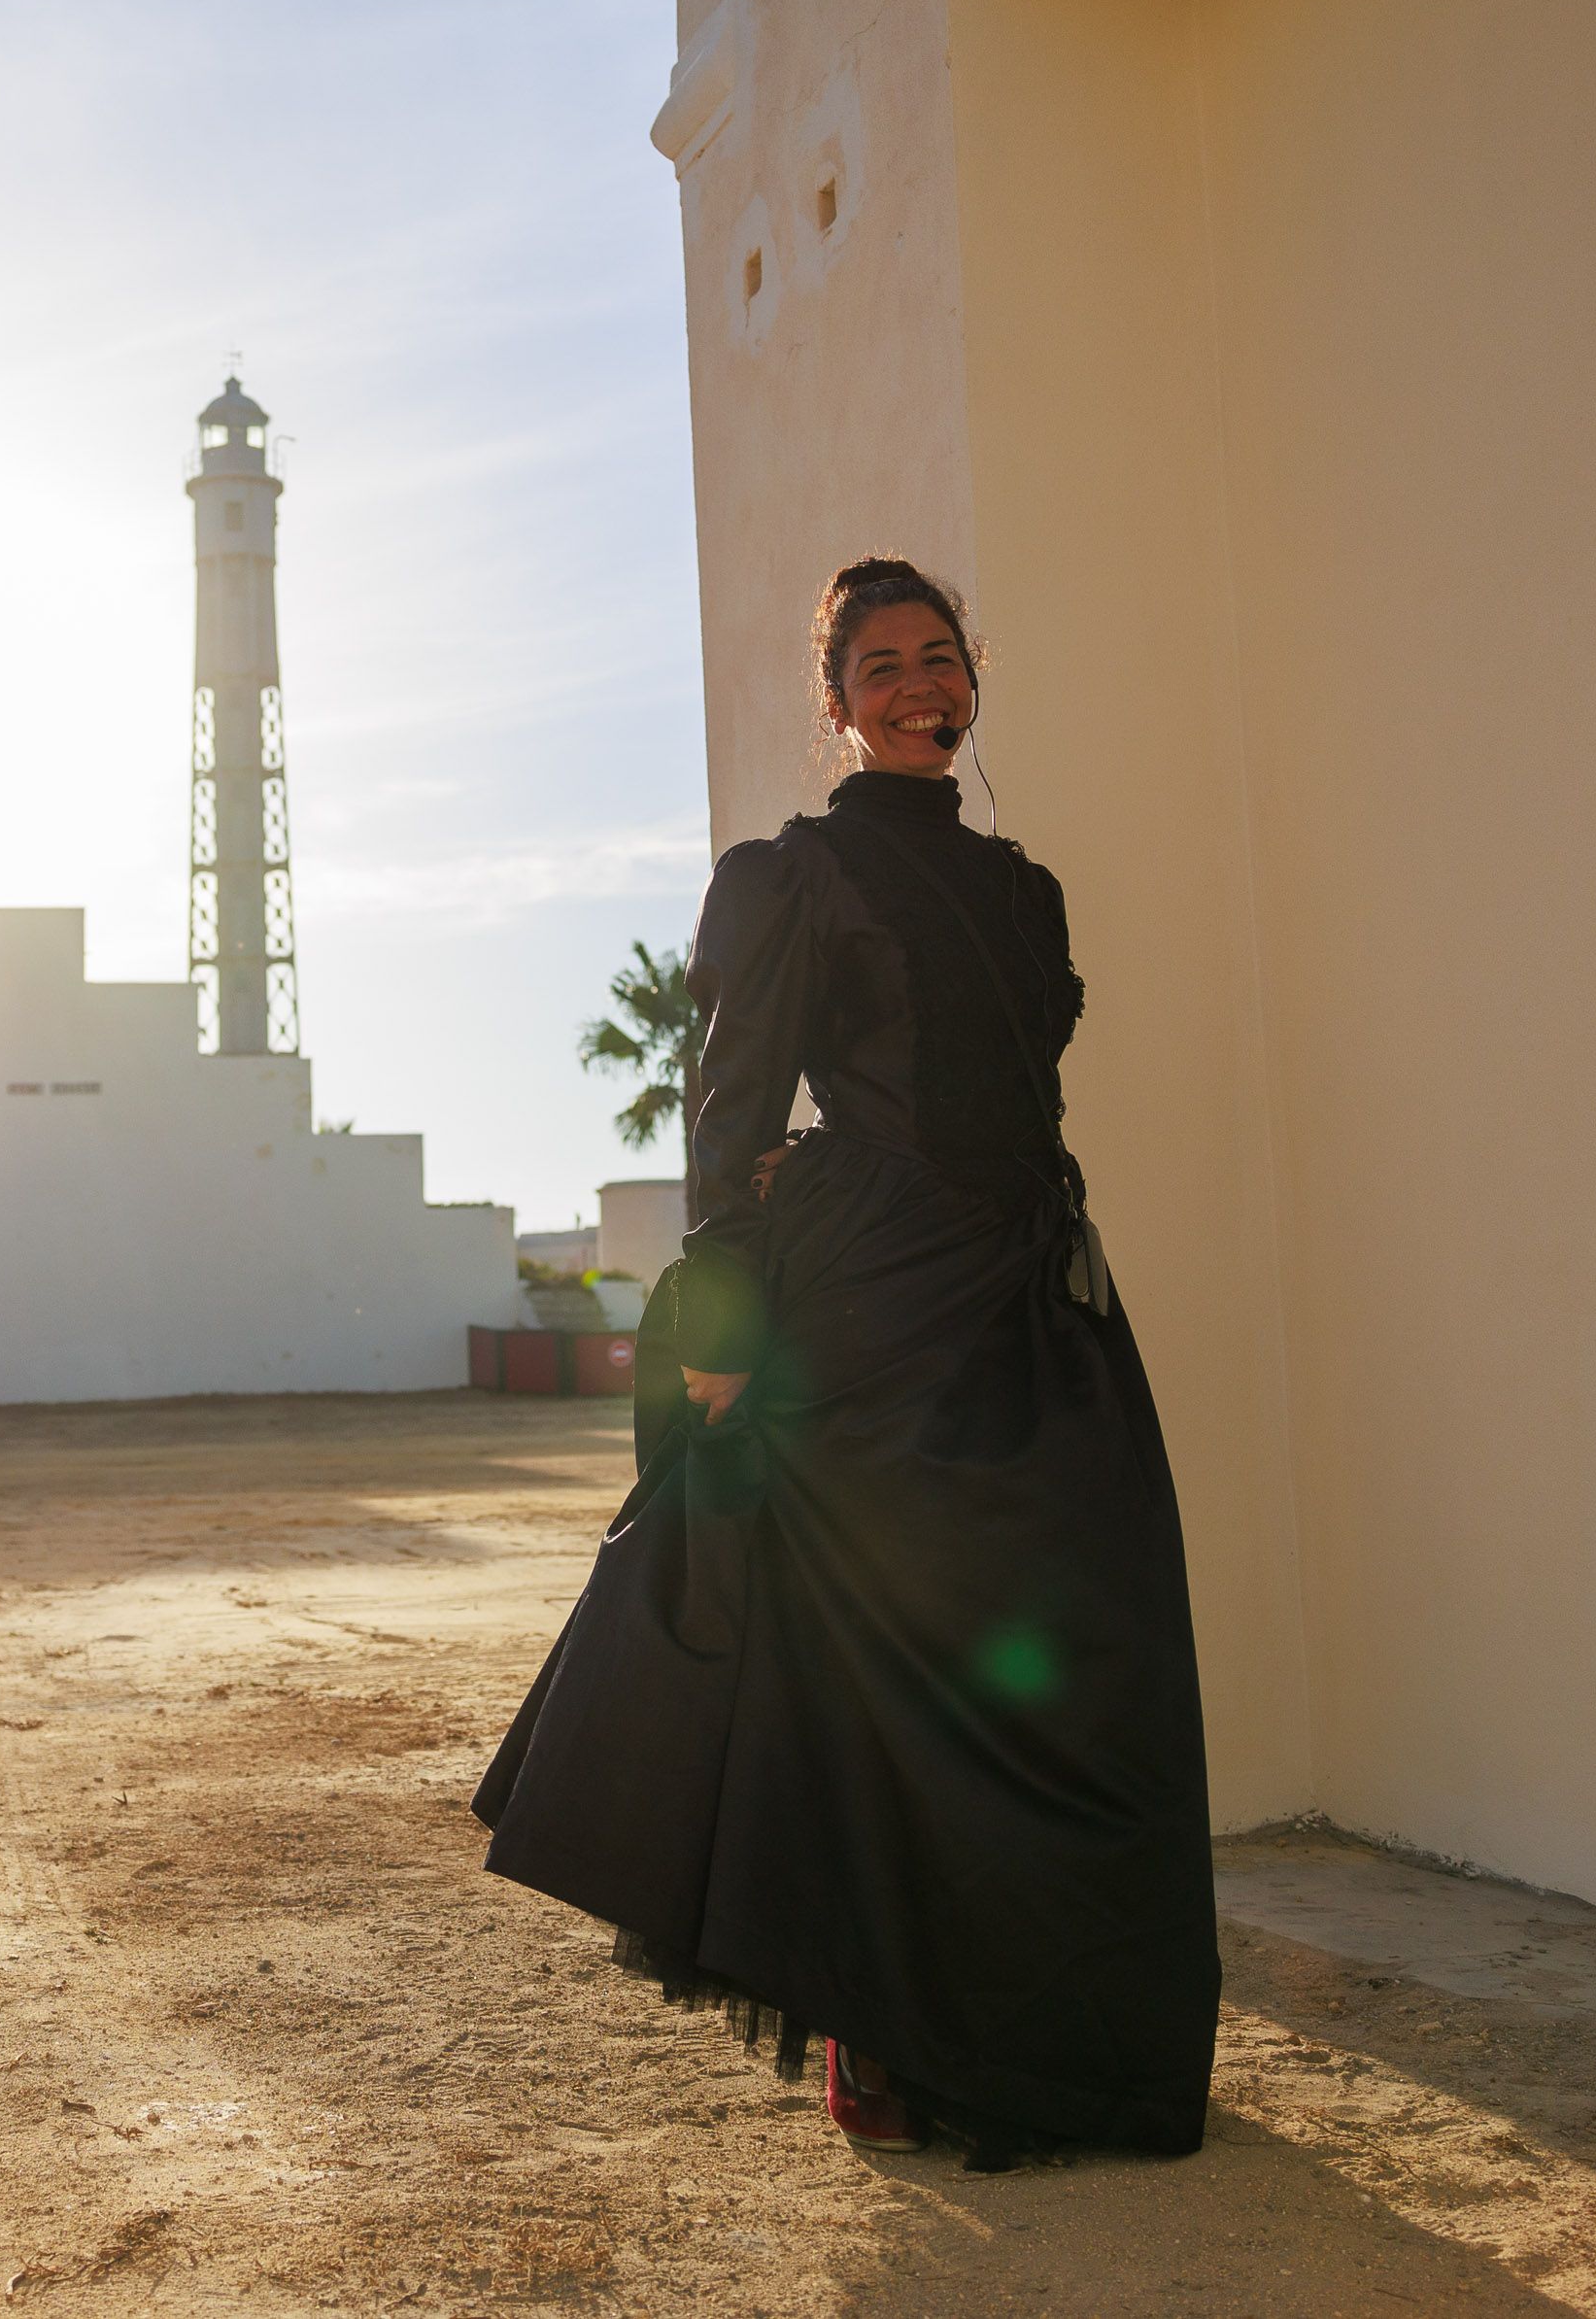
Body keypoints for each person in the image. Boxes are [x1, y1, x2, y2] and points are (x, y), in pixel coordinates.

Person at [472, 556, 1216, 2168]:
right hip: (871, 1307)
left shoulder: (1029, 893)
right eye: (879, 667)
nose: (916, 687)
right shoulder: (785, 877)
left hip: (1034, 1297)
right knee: (882, 1673)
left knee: (1091, 1652)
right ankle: (888, 2038)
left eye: (938, 659)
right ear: (836, 702)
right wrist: (726, 1336)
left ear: (972, 678)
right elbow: (733, 1114)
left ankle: (1070, 2045)